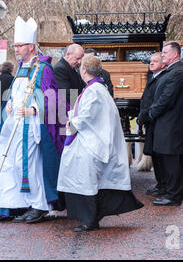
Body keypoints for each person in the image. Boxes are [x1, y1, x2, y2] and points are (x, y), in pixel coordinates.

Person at [0, 16, 64, 223]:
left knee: (29, 164)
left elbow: (51, 97)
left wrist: (33, 109)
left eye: (20, 46)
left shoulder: (43, 68)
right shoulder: (22, 67)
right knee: (13, 164)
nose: (16, 49)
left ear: (31, 46)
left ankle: (39, 205)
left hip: (32, 126)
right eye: (15, 46)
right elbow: (17, 92)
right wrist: (11, 103)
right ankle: (22, 203)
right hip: (15, 122)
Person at [57, 55, 143, 232]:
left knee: (86, 181)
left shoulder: (94, 90)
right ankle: (90, 217)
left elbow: (87, 115)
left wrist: (72, 123)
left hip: (91, 143)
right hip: (92, 140)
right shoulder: (96, 88)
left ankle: (89, 220)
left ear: (84, 71)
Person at [138, 41, 183, 206]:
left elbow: (166, 99)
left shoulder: (177, 72)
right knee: (168, 159)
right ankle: (171, 191)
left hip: (171, 124)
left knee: (171, 160)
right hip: (166, 123)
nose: (162, 55)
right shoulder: (172, 71)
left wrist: (150, 114)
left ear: (175, 54)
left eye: (165, 53)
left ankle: (174, 194)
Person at [137, 53, 167, 196]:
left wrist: (146, 115)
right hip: (150, 119)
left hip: (155, 120)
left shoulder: (161, 78)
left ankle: (163, 185)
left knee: (159, 155)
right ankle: (160, 184)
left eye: (155, 61)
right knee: (154, 153)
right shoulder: (152, 77)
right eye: (151, 61)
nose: (151, 63)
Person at [53, 44, 85, 109]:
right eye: (77, 58)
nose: (80, 62)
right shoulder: (60, 69)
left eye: (81, 58)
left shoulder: (72, 67)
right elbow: (66, 93)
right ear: (68, 54)